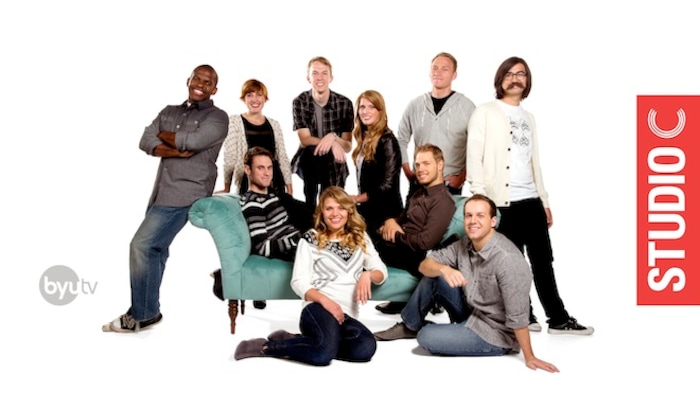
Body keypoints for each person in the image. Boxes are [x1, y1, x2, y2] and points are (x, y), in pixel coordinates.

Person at [467, 56, 593, 335]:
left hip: (532, 200)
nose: (515, 79)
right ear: (500, 80)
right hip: (501, 203)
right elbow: (474, 157)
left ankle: (558, 319)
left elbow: (534, 162)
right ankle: (524, 315)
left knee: (543, 262)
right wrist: (481, 202)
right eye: (509, 74)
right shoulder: (485, 112)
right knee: (513, 265)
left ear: (527, 81)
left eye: (521, 74)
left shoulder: (529, 118)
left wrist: (544, 201)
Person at [103, 64, 228, 333]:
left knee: (141, 245)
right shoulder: (169, 111)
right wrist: (174, 148)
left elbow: (194, 142)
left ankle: (143, 314)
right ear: (188, 80)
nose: (200, 84)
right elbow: (145, 140)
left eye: (207, 82)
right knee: (156, 249)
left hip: (188, 191)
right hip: (162, 190)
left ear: (214, 89)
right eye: (197, 78)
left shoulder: (218, 118)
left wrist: (169, 138)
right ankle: (149, 310)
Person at [373, 194, 559, 373]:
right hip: (472, 312)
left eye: (480, 215)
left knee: (426, 336)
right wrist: (444, 269)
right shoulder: (465, 244)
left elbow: (518, 316)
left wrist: (529, 356)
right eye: (468, 215)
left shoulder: (508, 260)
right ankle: (410, 325)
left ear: (493, 221)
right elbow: (425, 265)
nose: (473, 221)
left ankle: (437, 330)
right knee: (435, 275)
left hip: (493, 333)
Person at [234, 186, 388, 366]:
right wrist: (327, 302)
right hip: (317, 309)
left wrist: (367, 275)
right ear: (322, 212)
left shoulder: (360, 237)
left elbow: (381, 271)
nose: (335, 213)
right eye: (329, 208)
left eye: (340, 208)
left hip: (346, 316)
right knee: (323, 354)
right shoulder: (310, 239)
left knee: (366, 347)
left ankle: (302, 341)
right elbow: (298, 281)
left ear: (349, 211)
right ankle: (266, 347)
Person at [210, 147, 312, 309]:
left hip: (300, 239)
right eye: (260, 168)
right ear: (247, 170)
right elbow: (263, 247)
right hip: (293, 247)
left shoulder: (272, 195)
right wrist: (299, 241)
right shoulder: (253, 204)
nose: (267, 173)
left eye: (269, 168)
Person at [373, 144, 456, 314]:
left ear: (440, 165)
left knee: (359, 244)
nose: (420, 169)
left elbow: (425, 243)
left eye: (426, 163)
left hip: (413, 255)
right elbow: (402, 218)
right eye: (417, 165)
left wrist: (395, 235)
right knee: (361, 228)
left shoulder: (442, 201)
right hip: (398, 246)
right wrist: (391, 222)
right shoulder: (419, 192)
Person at [396, 52, 475, 195]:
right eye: (435, 68)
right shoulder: (415, 105)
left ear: (454, 75)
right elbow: (401, 140)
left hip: (449, 185)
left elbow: (476, 148)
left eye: (445, 69)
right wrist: (409, 173)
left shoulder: (467, 107)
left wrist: (461, 179)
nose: (438, 72)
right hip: (419, 184)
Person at [290, 56, 354, 209]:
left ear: (331, 78)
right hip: (310, 161)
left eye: (324, 73)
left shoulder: (344, 104)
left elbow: (347, 146)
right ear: (308, 78)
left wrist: (333, 138)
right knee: (311, 150)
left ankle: (326, 206)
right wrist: (331, 143)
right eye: (315, 73)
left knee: (331, 203)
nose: (320, 77)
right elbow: (305, 139)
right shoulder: (300, 101)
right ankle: (311, 208)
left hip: (334, 163)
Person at [219, 79, 293, 195]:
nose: (255, 99)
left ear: (265, 99)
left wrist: (289, 189)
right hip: (247, 182)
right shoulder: (235, 122)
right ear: (244, 99)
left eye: (259, 95)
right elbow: (230, 157)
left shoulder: (274, 125)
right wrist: (226, 187)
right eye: (249, 95)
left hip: (274, 182)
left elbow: (282, 157)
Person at [348, 90, 403, 240]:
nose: (365, 111)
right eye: (362, 107)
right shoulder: (363, 137)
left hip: (386, 213)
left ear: (380, 111)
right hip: (368, 209)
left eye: (371, 107)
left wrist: (357, 198)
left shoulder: (387, 140)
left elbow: (388, 186)